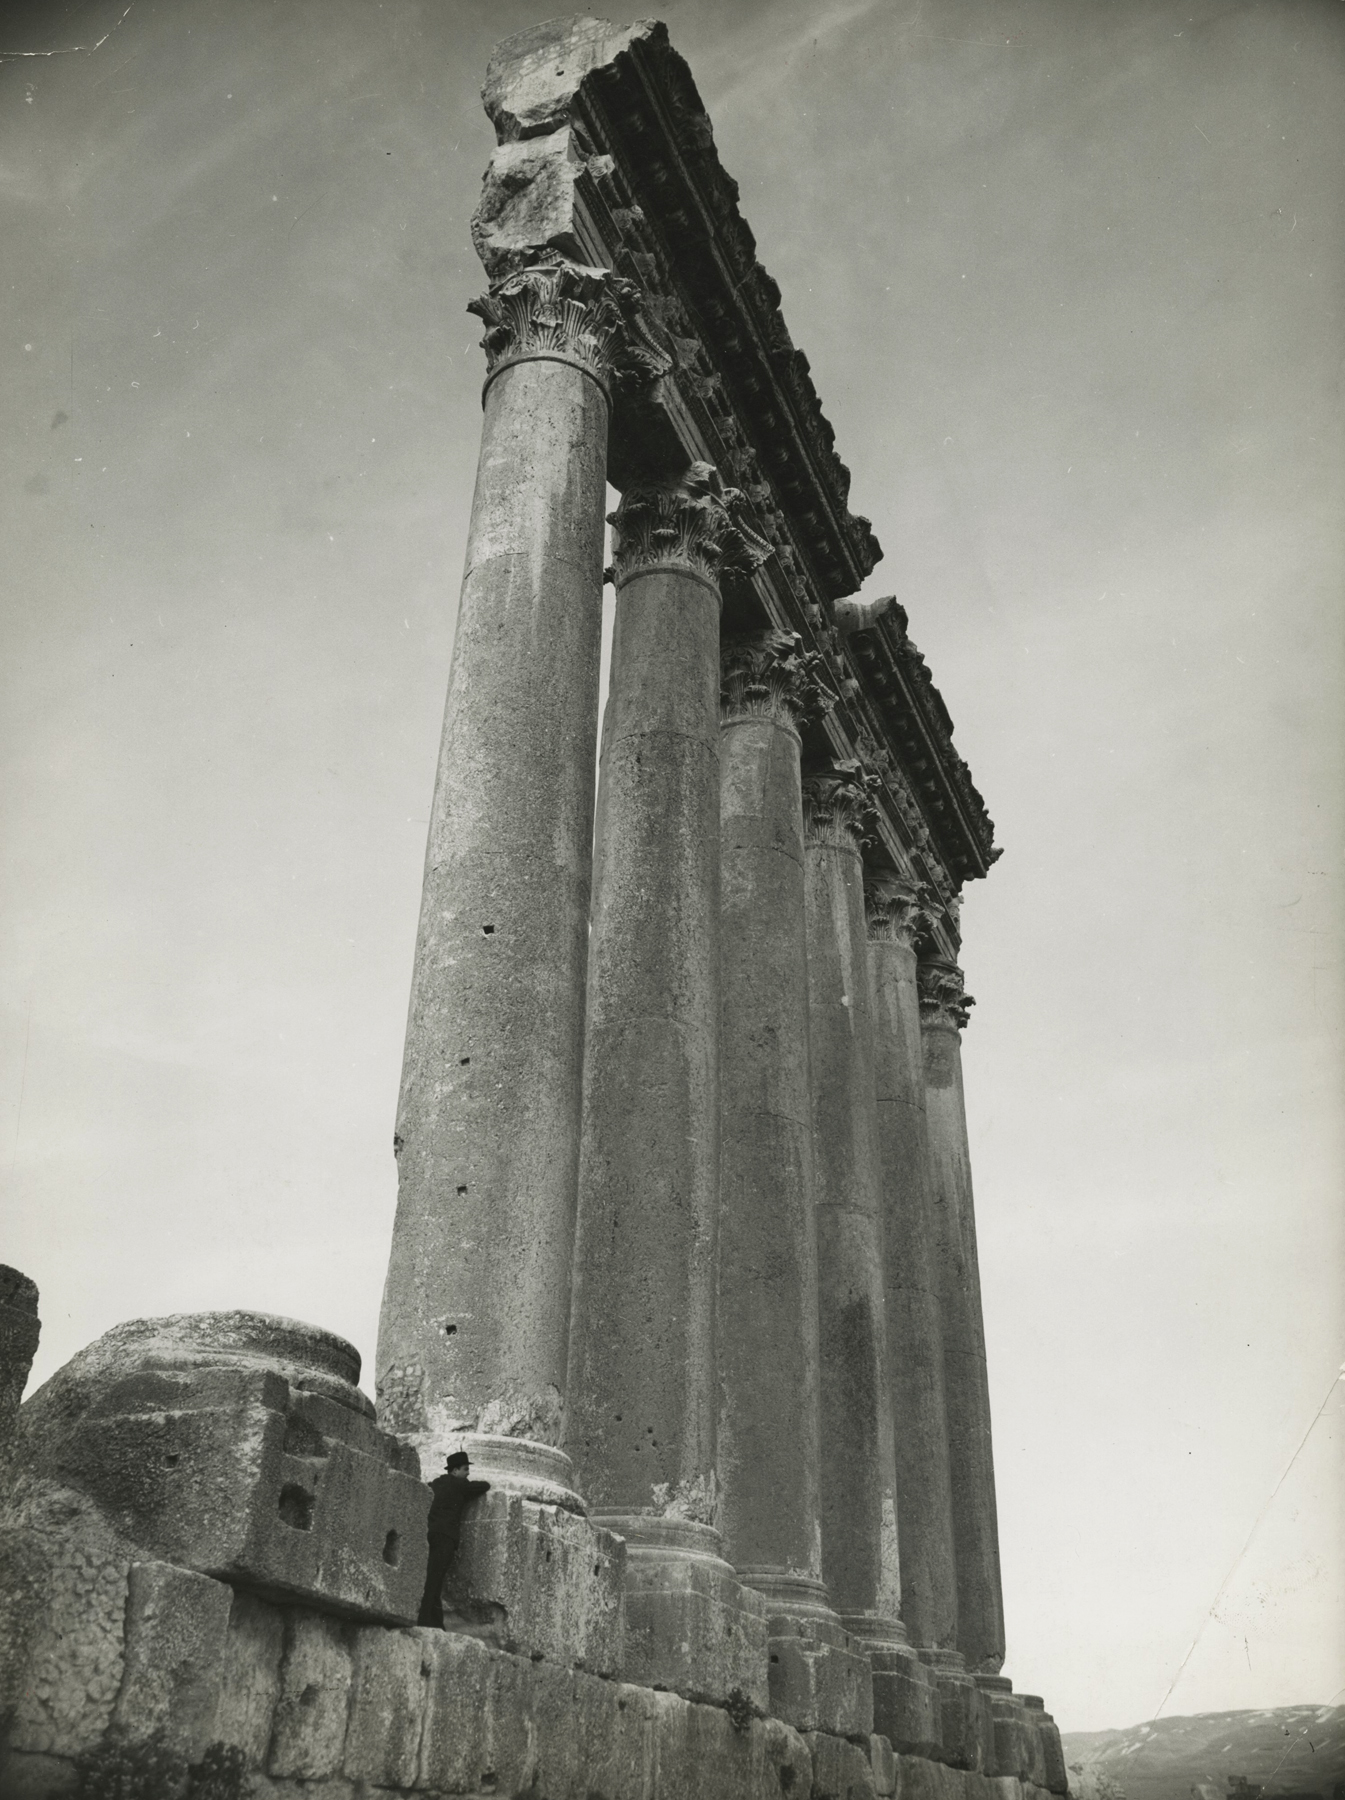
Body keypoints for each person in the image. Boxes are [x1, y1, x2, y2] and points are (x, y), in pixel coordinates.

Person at [417, 1450, 491, 1629]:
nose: (468, 1473)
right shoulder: (460, 1485)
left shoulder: (436, 1483)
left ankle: (436, 1623)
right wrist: (464, 1483)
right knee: (434, 1581)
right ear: (455, 1471)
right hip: (446, 1538)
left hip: (431, 1535)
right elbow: (484, 1486)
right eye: (465, 1469)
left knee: (434, 1578)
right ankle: (425, 1621)